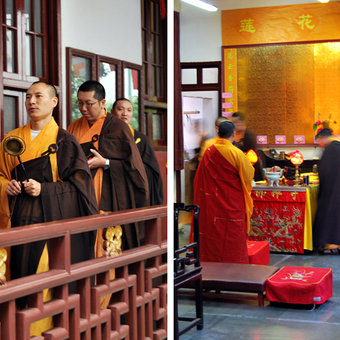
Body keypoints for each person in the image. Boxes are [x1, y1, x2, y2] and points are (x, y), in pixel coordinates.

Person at [0, 81, 98, 332]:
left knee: (43, 284)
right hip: (17, 225)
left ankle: (47, 331)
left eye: (38, 96)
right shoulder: (11, 139)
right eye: (28, 97)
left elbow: (81, 190)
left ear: (54, 102)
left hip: (49, 227)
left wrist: (44, 189)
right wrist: (5, 187)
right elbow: (0, 176)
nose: (32, 101)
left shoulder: (65, 141)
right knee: (18, 281)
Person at [68, 81, 149, 253]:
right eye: (80, 103)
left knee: (105, 246)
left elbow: (134, 166)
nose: (83, 108)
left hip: (108, 197)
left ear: (102, 103)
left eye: (89, 103)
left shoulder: (118, 127)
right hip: (78, 196)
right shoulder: (74, 127)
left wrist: (105, 163)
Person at [192, 120, 254, 263]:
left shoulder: (209, 151)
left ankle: (211, 265)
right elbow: (248, 175)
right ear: (233, 134)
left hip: (212, 203)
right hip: (232, 203)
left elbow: (199, 178)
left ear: (218, 133)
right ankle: (235, 268)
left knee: (213, 234)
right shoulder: (236, 153)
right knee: (233, 236)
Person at [111, 98, 163, 206]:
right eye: (120, 109)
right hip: (113, 189)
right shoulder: (106, 136)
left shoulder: (140, 139)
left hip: (135, 189)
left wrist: (134, 168)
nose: (125, 113)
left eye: (129, 110)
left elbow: (152, 169)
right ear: (112, 112)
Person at [313, 128, 340, 254]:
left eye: (319, 140)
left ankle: (330, 244)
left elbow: (324, 171)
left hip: (331, 189)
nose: (319, 143)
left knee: (329, 213)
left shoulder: (330, 149)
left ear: (323, 137)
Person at [231, 112, 264, 181]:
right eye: (233, 122)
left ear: (242, 122)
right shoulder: (233, 134)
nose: (234, 124)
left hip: (251, 167)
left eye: (236, 122)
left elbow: (251, 153)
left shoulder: (249, 135)